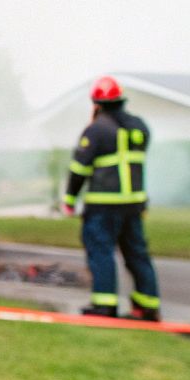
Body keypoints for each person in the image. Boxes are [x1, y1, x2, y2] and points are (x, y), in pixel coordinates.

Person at [62, 75, 161, 320]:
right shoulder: (139, 127)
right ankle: (148, 306)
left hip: (103, 206)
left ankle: (104, 305)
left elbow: (79, 169)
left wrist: (70, 199)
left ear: (96, 103)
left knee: (101, 252)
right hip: (134, 204)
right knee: (137, 254)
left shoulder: (96, 130)